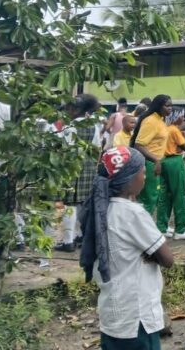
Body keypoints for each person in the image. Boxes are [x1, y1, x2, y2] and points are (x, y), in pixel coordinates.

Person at [80, 146, 174, 349]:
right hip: (138, 317)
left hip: (112, 313)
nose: (145, 177)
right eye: (142, 172)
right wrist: (149, 254)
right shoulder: (133, 214)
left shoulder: (100, 211)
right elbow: (168, 259)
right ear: (130, 179)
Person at [55, 94, 102, 252]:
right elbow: (96, 148)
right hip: (88, 166)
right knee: (81, 203)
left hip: (72, 166)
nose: (67, 110)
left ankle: (68, 241)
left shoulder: (71, 126)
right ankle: (78, 235)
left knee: (70, 204)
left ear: (76, 110)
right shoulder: (93, 126)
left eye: (69, 108)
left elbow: (64, 148)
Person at [157, 108, 185, 240]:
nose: (183, 118)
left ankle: (162, 227)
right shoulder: (174, 129)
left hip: (163, 161)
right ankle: (181, 229)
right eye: (182, 116)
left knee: (165, 195)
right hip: (174, 161)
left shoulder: (165, 128)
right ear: (176, 117)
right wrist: (184, 135)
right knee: (179, 194)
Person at [132, 95, 173, 216]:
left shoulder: (160, 120)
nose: (170, 108)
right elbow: (139, 145)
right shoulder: (151, 121)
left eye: (171, 105)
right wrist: (156, 160)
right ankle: (143, 230)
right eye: (167, 105)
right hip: (149, 164)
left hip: (156, 162)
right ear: (159, 106)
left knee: (153, 197)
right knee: (149, 198)